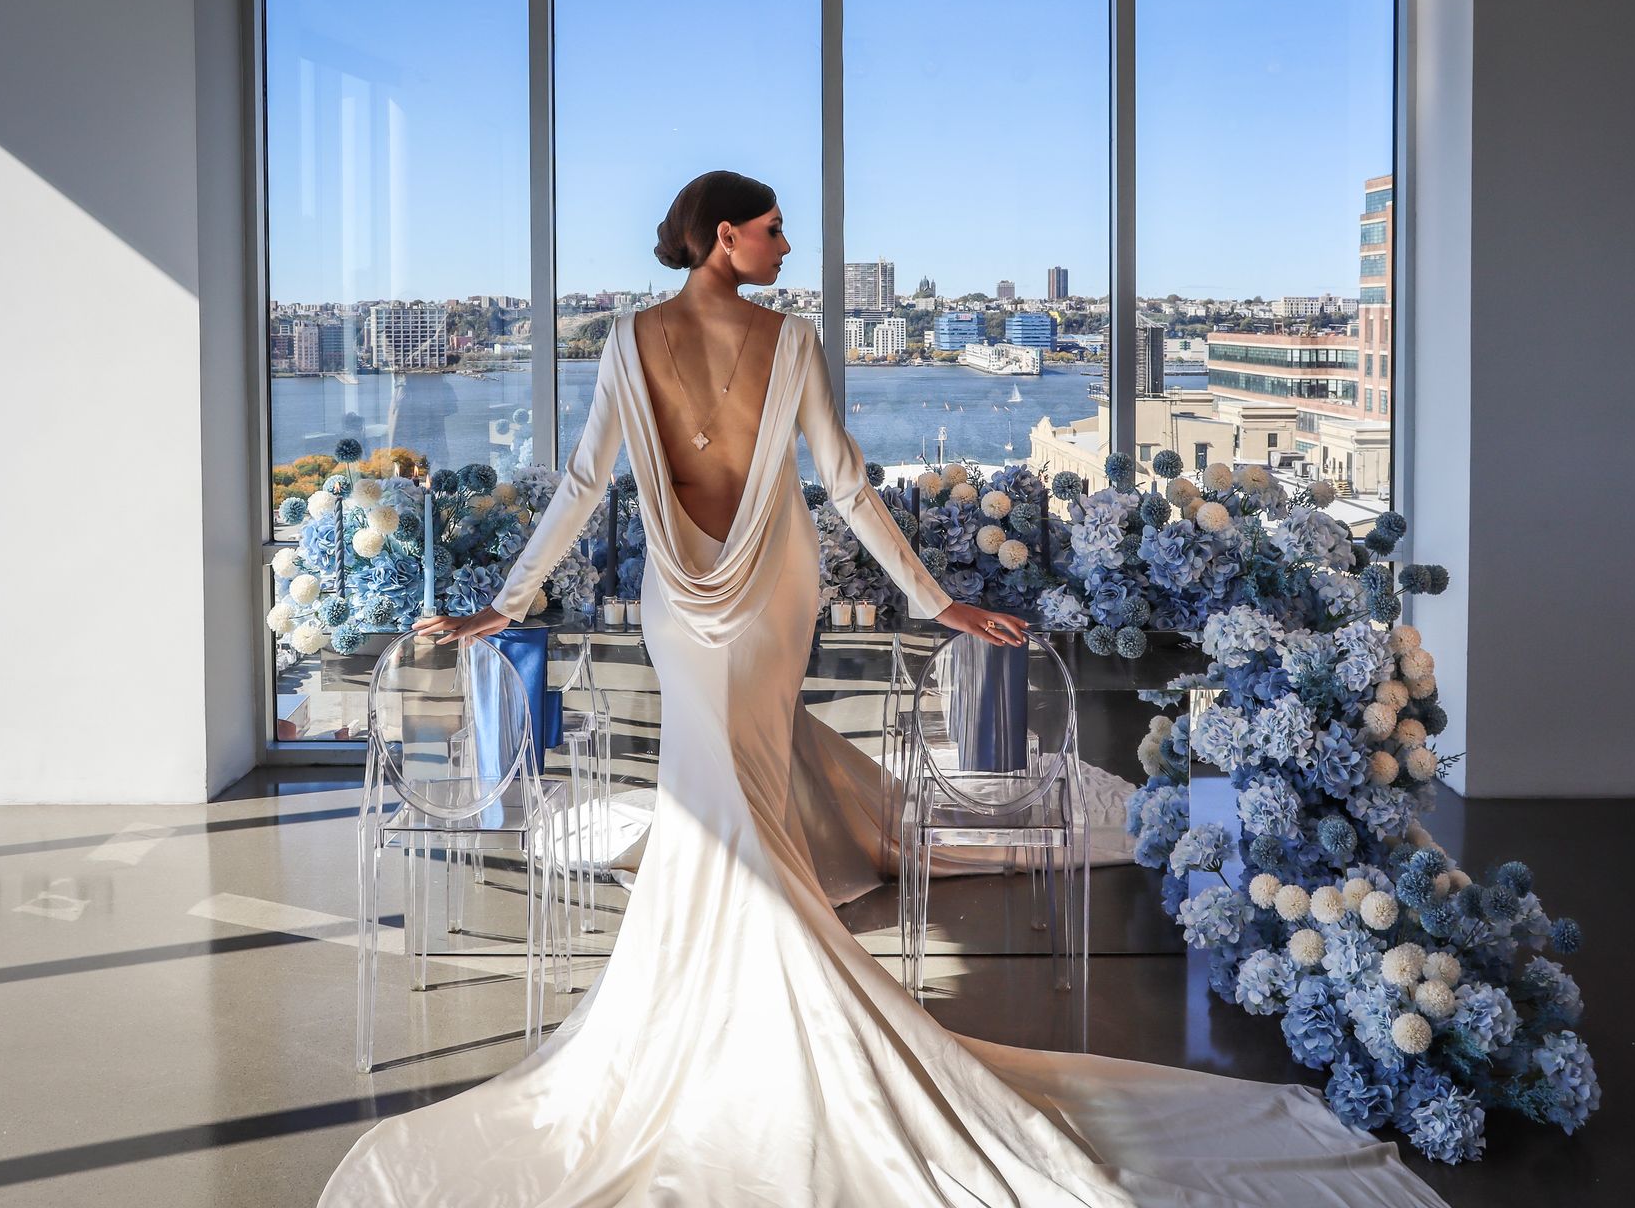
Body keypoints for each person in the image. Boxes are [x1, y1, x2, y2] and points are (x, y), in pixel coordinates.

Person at [320, 171, 1447, 1207]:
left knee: (735, 801)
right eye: (770, 228)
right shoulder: (785, 341)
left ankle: (735, 1022)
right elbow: (847, 486)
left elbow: (581, 487)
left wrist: (508, 605)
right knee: (724, 808)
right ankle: (760, 1015)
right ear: (725, 233)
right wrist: (930, 599)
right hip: (764, 597)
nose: (785, 243)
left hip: (710, 605)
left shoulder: (635, 340)